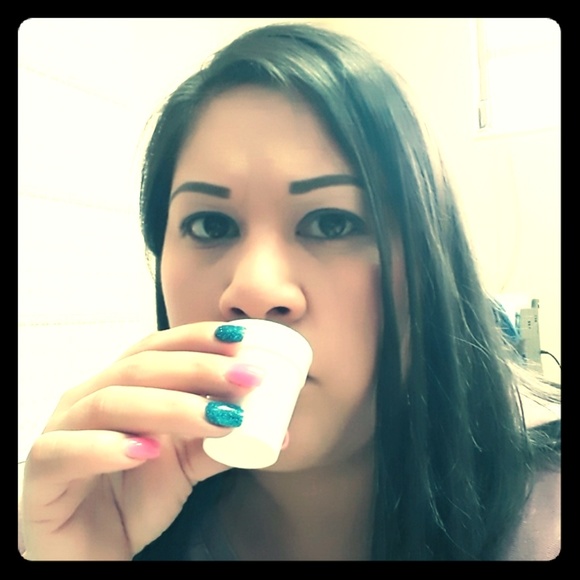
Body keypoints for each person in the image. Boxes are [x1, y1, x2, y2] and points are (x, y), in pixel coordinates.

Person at [18, 22, 560, 561]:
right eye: (210, 225)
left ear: (429, 262)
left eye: (331, 223)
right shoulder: (101, 516)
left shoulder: (544, 523)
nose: (253, 290)